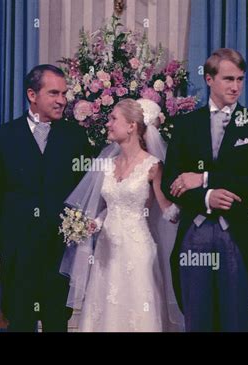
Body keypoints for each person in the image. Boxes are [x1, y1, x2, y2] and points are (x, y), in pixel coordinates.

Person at [161, 48, 248, 331]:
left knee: (236, 319)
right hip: (194, 232)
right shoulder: (187, 124)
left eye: (240, 79)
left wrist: (204, 178)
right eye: (228, 79)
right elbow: (170, 182)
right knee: (197, 318)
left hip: (236, 233)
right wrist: (207, 197)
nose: (235, 86)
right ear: (209, 79)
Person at [0, 64, 93, 332]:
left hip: (60, 254)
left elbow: (86, 191)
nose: (62, 100)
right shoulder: (3, 136)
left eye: (64, 93)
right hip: (16, 253)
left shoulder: (75, 136)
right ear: (32, 95)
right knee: (19, 322)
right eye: (54, 93)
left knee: (57, 323)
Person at [62, 98, 184, 332]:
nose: (108, 124)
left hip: (136, 250)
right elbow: (112, 206)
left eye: (113, 119)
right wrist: (94, 223)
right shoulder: (107, 164)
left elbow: (170, 211)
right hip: (106, 252)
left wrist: (172, 194)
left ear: (132, 126)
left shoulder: (153, 166)